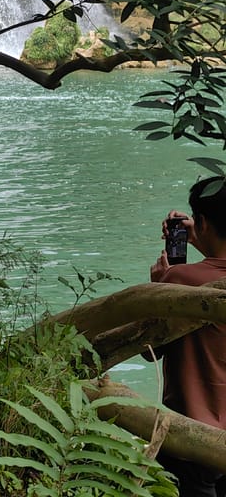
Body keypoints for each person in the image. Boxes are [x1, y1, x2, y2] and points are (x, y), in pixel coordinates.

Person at [149, 176, 226, 497]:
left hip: (190, 437)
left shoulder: (180, 279)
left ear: (203, 222)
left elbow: (149, 347)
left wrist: (158, 287)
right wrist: (204, 238)